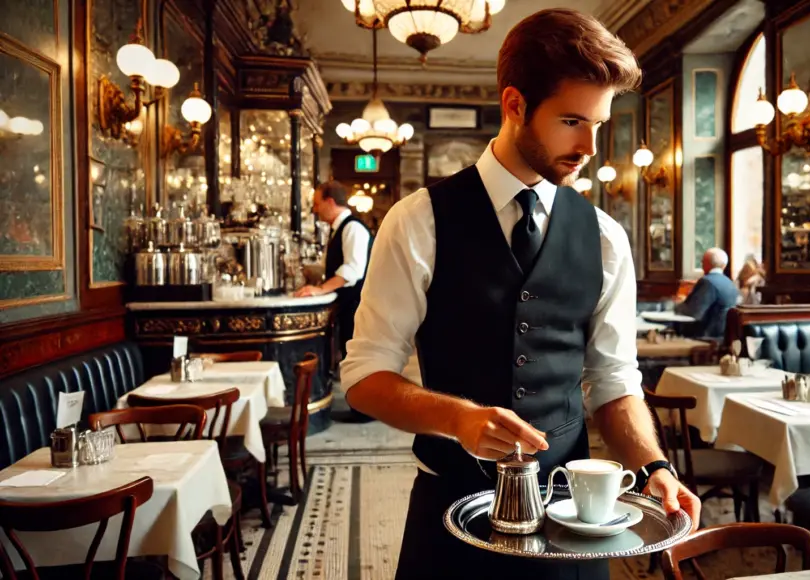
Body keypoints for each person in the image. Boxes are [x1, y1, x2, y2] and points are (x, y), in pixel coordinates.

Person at [340, 9, 701, 579]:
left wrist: (653, 465)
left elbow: (613, 380)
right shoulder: (418, 222)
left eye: (599, 125)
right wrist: (457, 418)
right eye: (571, 121)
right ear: (514, 105)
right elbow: (364, 380)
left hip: (573, 520)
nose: (589, 145)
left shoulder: (606, 237)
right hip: (450, 515)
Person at [295, 180, 373, 359]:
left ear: (330, 202)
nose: (315, 210)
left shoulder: (353, 227)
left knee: (356, 360)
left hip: (357, 309)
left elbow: (353, 269)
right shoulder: (339, 228)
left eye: (317, 204)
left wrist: (320, 289)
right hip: (348, 307)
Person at [675, 247, 740, 339]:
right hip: (722, 337)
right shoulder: (730, 283)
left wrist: (678, 305)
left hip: (704, 338)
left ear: (705, 263)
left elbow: (693, 314)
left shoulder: (707, 282)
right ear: (724, 265)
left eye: (702, 262)